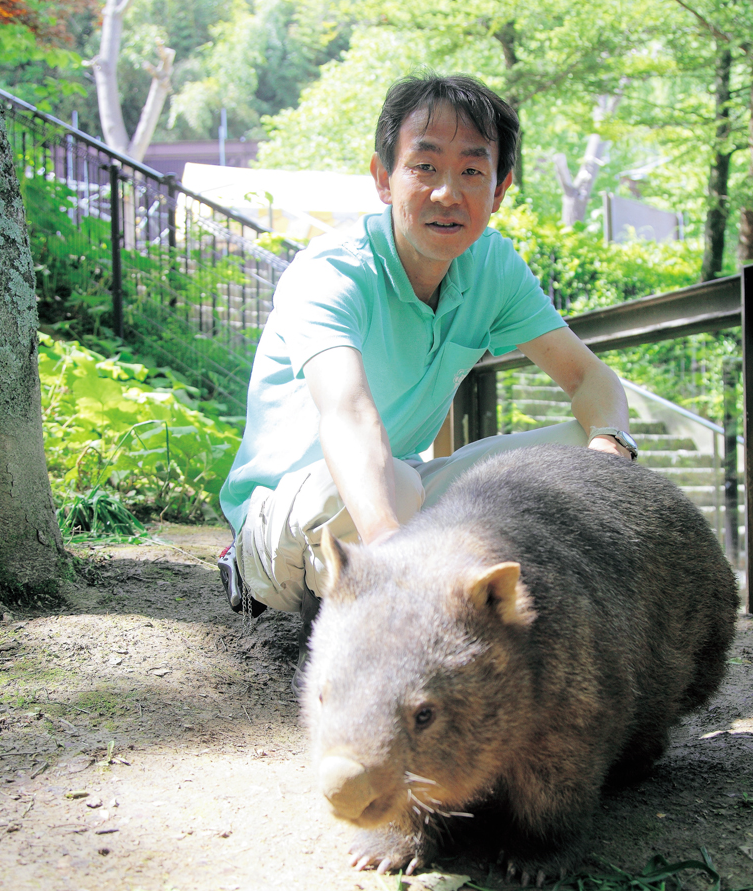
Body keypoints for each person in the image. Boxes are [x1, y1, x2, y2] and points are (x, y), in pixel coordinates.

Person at [217, 73, 638, 624]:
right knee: (393, 482)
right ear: (383, 178)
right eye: (424, 166)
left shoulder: (493, 266)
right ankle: (383, 590)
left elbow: (592, 381)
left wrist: (609, 456)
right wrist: (393, 546)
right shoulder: (331, 273)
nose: (447, 193)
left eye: (471, 170)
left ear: (500, 189)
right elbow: (348, 413)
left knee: (583, 454)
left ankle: (443, 595)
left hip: (405, 496)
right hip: (291, 513)